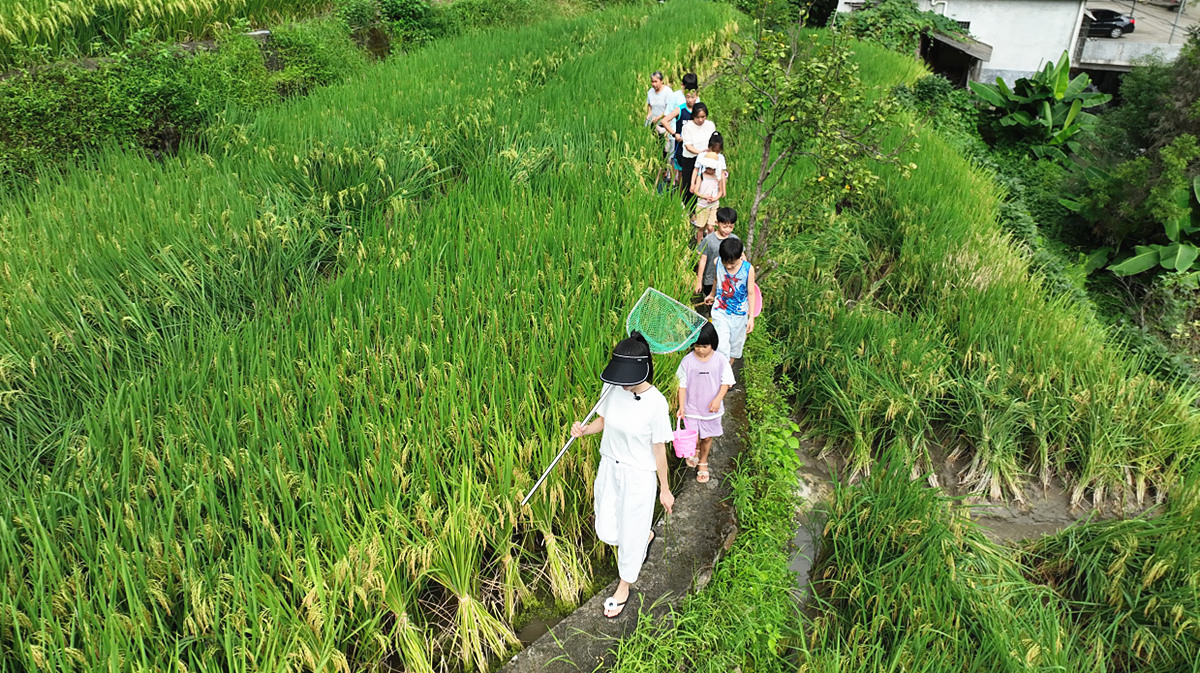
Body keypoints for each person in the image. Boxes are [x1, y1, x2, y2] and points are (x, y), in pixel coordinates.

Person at [570, 332, 675, 619]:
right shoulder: (612, 386)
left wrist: (664, 489)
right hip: (610, 467)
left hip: (638, 475)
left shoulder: (657, 403)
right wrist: (583, 430)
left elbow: (659, 451)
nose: (623, 383)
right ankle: (645, 536)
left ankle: (624, 586)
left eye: (627, 378)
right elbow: (603, 421)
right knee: (607, 528)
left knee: (630, 534)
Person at [675, 323, 734, 484]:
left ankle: (703, 462)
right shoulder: (687, 361)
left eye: (704, 346)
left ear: (713, 343)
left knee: (707, 437)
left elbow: (726, 382)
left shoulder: (721, 360)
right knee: (693, 438)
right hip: (691, 408)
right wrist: (681, 406)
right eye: (697, 346)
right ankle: (695, 450)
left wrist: (718, 399)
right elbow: (682, 385)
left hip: (711, 410)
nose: (700, 349)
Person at [705, 237, 756, 365]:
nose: (728, 266)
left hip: (739, 315)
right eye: (725, 262)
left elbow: (751, 293)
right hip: (720, 311)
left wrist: (751, 318)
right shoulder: (718, 263)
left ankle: (724, 378)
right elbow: (717, 280)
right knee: (721, 346)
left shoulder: (748, 269)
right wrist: (712, 294)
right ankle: (719, 373)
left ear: (740, 257)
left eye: (732, 263)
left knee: (734, 349)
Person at [661, 73, 699, 189]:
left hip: (691, 137)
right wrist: (672, 133)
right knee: (674, 160)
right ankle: (673, 184)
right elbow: (667, 116)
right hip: (676, 134)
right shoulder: (675, 97)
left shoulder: (696, 99)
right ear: (683, 85)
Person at [689, 132, 727, 244]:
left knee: (711, 225)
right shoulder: (702, 156)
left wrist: (723, 190)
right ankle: (699, 244)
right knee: (701, 224)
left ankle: (711, 242)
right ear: (709, 147)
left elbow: (722, 174)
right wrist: (692, 183)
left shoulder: (720, 158)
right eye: (714, 149)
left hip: (714, 189)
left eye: (718, 150)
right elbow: (696, 169)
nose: (716, 152)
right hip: (702, 187)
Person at [678, 102, 715, 213]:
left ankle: (704, 208)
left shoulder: (710, 125)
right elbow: (688, 146)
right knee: (689, 184)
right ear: (693, 116)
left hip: (706, 159)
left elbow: (713, 141)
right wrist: (700, 153)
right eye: (697, 117)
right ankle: (689, 209)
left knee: (704, 183)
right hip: (691, 159)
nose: (700, 120)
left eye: (703, 117)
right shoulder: (687, 127)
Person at [695, 207, 738, 300]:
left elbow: (741, 257)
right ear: (717, 223)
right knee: (710, 301)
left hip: (728, 280)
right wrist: (699, 281)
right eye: (725, 226)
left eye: (731, 227)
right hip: (710, 279)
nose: (728, 230)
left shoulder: (734, 240)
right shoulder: (709, 240)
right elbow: (702, 261)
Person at [644, 71, 675, 186]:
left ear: (661, 81)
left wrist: (659, 117)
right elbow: (650, 106)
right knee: (657, 147)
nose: (653, 84)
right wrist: (649, 115)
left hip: (665, 123)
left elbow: (669, 109)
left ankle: (667, 172)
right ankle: (658, 168)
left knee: (666, 149)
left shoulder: (668, 92)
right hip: (653, 123)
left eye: (656, 81)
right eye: (652, 82)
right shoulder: (650, 92)